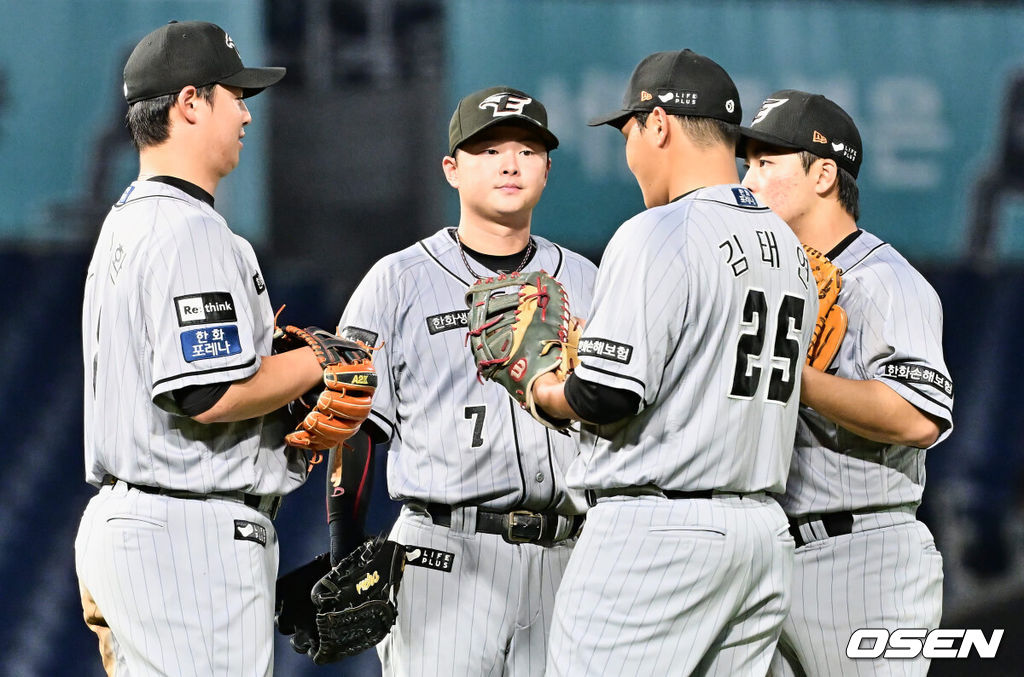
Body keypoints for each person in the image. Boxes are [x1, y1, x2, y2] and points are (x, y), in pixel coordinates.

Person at [75, 20, 358, 676]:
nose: (247, 116)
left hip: (144, 527)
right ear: (190, 103)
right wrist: (319, 359)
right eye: (235, 96)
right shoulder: (190, 231)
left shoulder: (128, 222)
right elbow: (207, 392)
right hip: (188, 537)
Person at [531, 49, 819, 675]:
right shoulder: (792, 249)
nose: (629, 150)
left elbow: (607, 397)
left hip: (659, 535)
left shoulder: (658, 231)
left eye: (629, 131)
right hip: (762, 538)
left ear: (658, 124)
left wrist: (544, 388)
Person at [327, 86, 597, 676]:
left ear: (548, 169)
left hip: (569, 555)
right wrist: (343, 546)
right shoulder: (396, 280)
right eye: (489, 149)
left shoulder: (587, 279)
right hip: (445, 553)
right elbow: (353, 427)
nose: (509, 163)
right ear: (451, 168)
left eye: (527, 149)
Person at [739, 90, 953, 676]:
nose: (748, 181)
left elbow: (917, 418)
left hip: (863, 556)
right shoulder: (769, 284)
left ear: (824, 174)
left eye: (766, 163)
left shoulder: (886, 282)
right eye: (747, 165)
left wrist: (793, 375)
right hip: (766, 556)